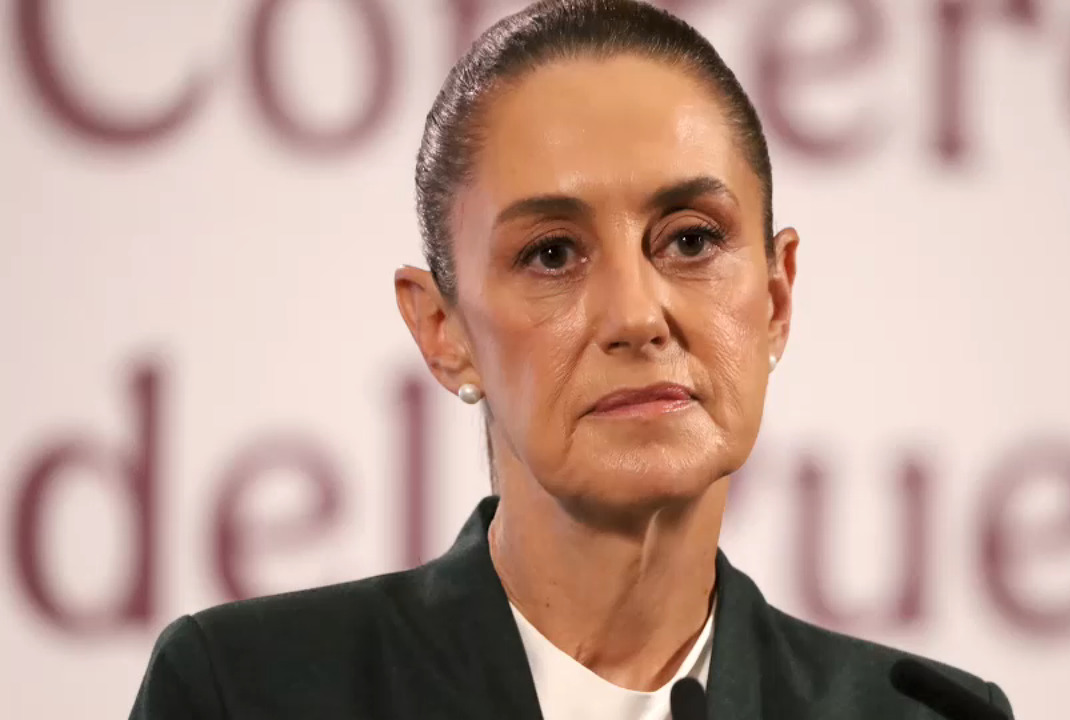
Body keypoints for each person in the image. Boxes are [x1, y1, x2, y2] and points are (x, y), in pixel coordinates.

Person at [129, 1, 1014, 718]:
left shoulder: (924, 717)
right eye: (552, 254)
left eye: (692, 240)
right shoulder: (247, 693)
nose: (636, 316)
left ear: (776, 300)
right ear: (442, 331)